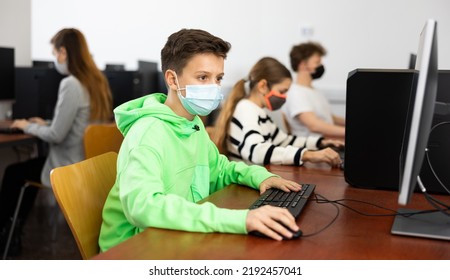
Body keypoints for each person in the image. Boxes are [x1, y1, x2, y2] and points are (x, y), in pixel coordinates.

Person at [99, 29, 306, 252]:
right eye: (202, 77)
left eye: (218, 78)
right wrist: (239, 220)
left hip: (172, 234)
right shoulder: (147, 133)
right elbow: (144, 207)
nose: (214, 87)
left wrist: (261, 177)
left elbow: (219, 169)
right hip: (133, 250)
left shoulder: (193, 124)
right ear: (172, 79)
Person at [0, 28, 113, 256]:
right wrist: (46, 122)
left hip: (67, 166)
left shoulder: (71, 84)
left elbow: (56, 136)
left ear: (63, 52)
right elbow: (79, 122)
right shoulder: (96, 82)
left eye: (55, 53)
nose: (55, 59)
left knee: (14, 173)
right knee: (25, 171)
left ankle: (7, 232)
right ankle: (15, 227)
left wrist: (25, 125)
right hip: (88, 166)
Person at [214, 57, 343, 167]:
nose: (284, 97)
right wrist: (307, 155)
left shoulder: (259, 112)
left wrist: (320, 143)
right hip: (243, 183)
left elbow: (283, 140)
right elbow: (257, 152)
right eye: (282, 91)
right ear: (263, 86)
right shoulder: (246, 109)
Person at [282, 42, 345, 138]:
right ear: (302, 65)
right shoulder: (296, 93)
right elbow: (314, 125)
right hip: (313, 149)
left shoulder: (315, 91)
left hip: (327, 144)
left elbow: (329, 117)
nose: (321, 66)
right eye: (317, 62)